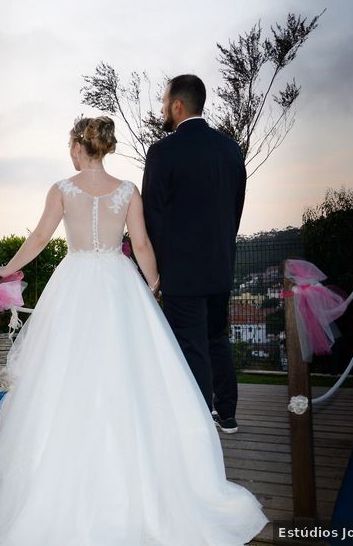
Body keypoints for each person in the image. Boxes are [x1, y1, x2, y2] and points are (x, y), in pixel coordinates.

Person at [0, 116, 267, 545]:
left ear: (80, 146)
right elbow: (145, 246)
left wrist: (6, 269)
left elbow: (40, 237)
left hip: (74, 284)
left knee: (64, 381)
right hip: (120, 286)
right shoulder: (128, 191)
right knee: (129, 379)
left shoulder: (62, 189)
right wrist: (153, 287)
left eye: (70, 145)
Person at [142, 74, 246, 434]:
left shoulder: (163, 152)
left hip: (181, 272)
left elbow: (152, 214)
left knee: (191, 347)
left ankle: (200, 423)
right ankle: (227, 414)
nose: (161, 108)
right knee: (217, 338)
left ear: (177, 105)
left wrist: (156, 268)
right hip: (220, 266)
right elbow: (236, 208)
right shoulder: (230, 149)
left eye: (163, 101)